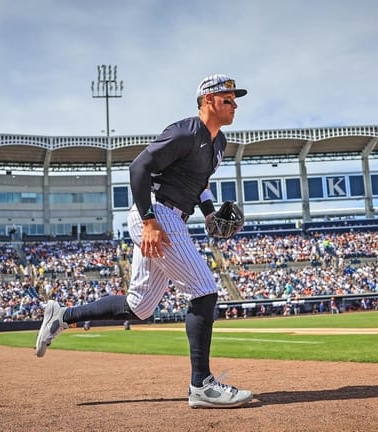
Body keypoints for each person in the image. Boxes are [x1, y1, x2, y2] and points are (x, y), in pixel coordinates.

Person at [35, 74, 253, 408]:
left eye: (235, 99)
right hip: (157, 215)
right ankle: (202, 386)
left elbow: (200, 183)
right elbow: (139, 168)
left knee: (139, 307)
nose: (234, 104)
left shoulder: (219, 143)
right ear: (208, 100)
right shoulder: (184, 132)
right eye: (228, 98)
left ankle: (62, 315)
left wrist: (209, 213)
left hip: (173, 216)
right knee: (204, 290)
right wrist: (150, 221)